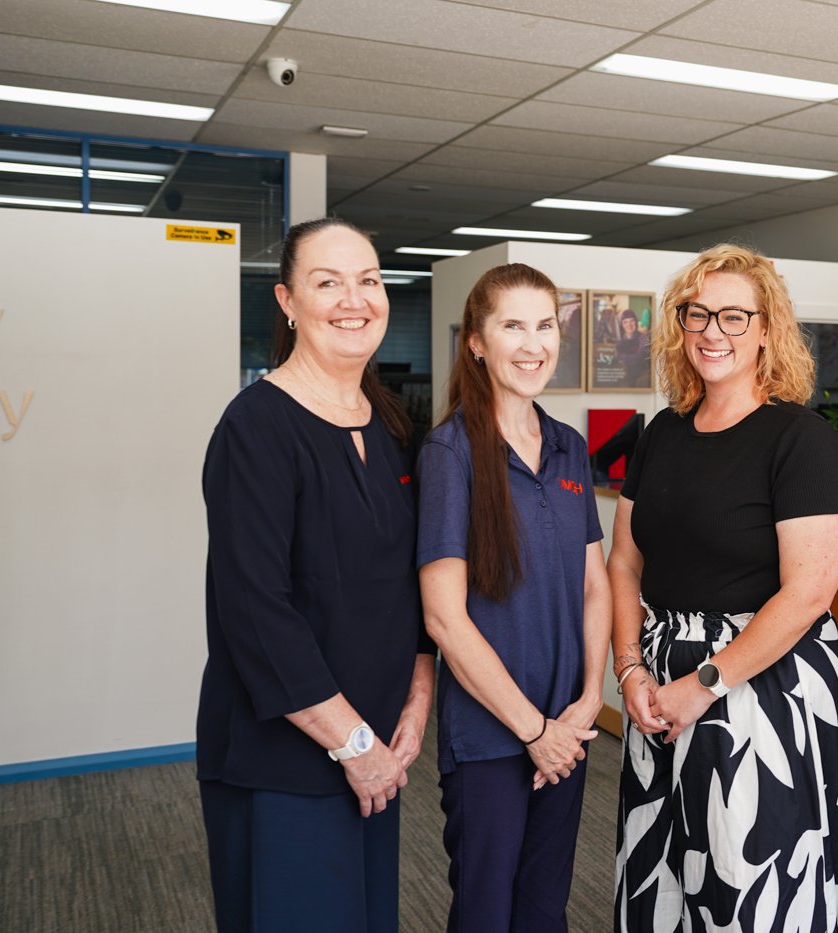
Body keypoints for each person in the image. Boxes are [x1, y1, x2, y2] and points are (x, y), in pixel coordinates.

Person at [609, 244, 838, 932]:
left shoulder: (800, 439)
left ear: (766, 329)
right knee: (662, 877)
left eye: (732, 316)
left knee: (748, 886)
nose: (712, 332)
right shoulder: (661, 432)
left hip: (762, 691)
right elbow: (625, 562)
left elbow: (807, 595)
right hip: (659, 683)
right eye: (697, 314)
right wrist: (629, 666)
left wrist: (705, 683)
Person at [197, 217, 435, 933]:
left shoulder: (393, 424)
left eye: (368, 280)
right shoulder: (255, 426)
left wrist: (417, 698)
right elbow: (255, 609)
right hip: (285, 758)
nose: (353, 299)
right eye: (327, 282)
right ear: (288, 301)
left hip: (377, 755)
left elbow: (411, 580)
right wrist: (353, 744)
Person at [417, 263, 610, 932]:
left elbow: (595, 584)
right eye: (513, 326)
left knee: (543, 908)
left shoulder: (569, 447)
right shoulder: (451, 452)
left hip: (568, 726)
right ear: (477, 341)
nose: (533, 345)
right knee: (487, 914)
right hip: (493, 738)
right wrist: (534, 730)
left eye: (546, 325)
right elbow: (444, 615)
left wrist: (589, 698)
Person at [615, 308, 649, 387]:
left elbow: (638, 358)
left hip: (639, 374)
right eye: (625, 322)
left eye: (632, 321)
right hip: (623, 375)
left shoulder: (643, 338)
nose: (629, 325)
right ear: (622, 325)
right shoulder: (620, 341)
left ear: (636, 322)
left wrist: (621, 356)